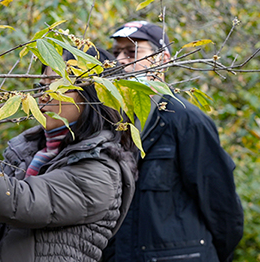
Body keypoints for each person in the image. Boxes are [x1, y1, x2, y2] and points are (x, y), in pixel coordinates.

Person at [0, 47, 136, 262]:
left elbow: (17, 202)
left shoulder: (100, 170)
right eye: (41, 87)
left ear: (94, 96)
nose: (43, 97)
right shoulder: (34, 154)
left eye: (58, 87)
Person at [102, 21, 244, 262]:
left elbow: (222, 208)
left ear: (163, 58)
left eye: (132, 52)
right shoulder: (112, 120)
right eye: (116, 53)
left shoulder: (187, 121)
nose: (120, 60)